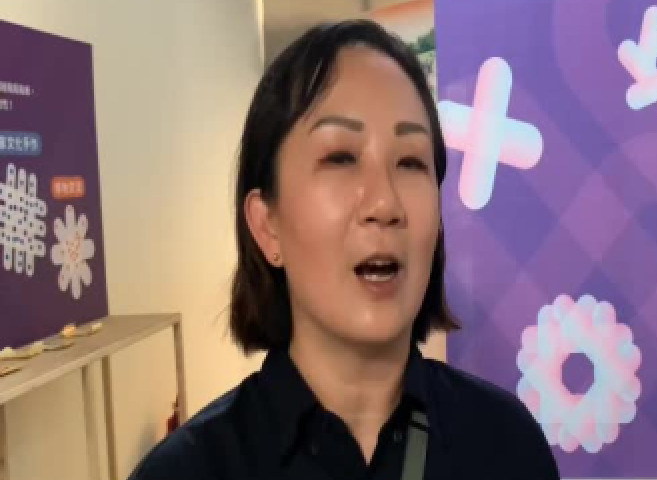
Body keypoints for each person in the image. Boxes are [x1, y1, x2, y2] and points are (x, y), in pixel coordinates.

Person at [127, 20, 560, 480]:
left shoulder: (507, 445)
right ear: (266, 225)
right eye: (340, 158)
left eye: (411, 162)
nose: (385, 204)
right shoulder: (186, 471)